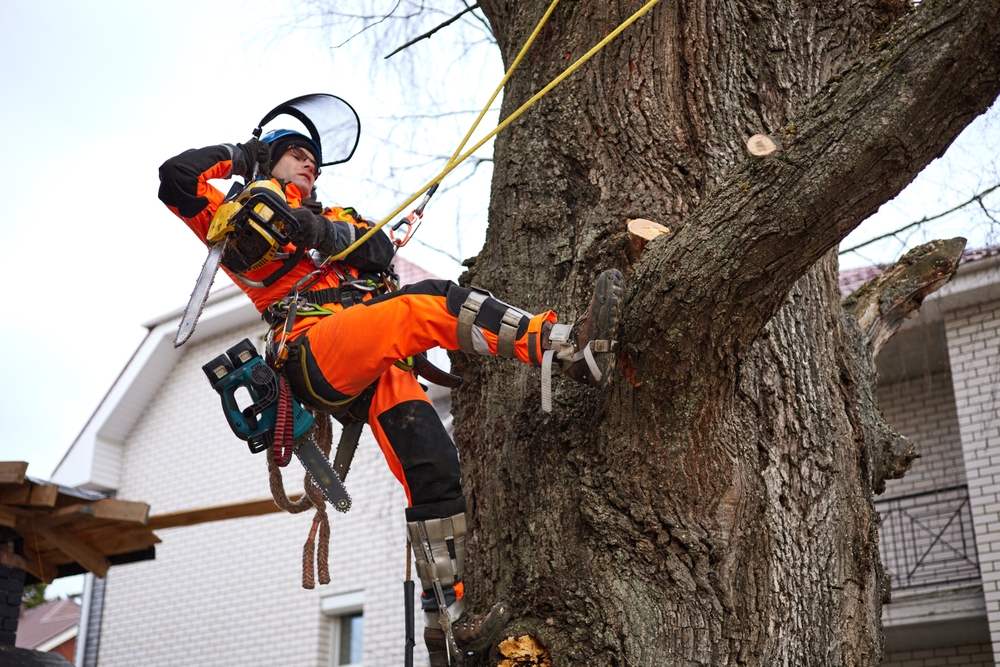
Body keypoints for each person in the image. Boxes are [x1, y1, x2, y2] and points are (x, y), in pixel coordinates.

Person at [158, 129, 624, 664]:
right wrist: (243, 157)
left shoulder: (339, 217)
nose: (310, 163)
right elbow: (176, 178)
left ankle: (446, 627)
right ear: (271, 158)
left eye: (316, 159)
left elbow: (379, 251)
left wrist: (312, 226)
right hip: (311, 349)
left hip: (373, 361)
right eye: (296, 153)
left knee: (434, 466)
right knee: (423, 304)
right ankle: (562, 348)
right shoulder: (236, 215)